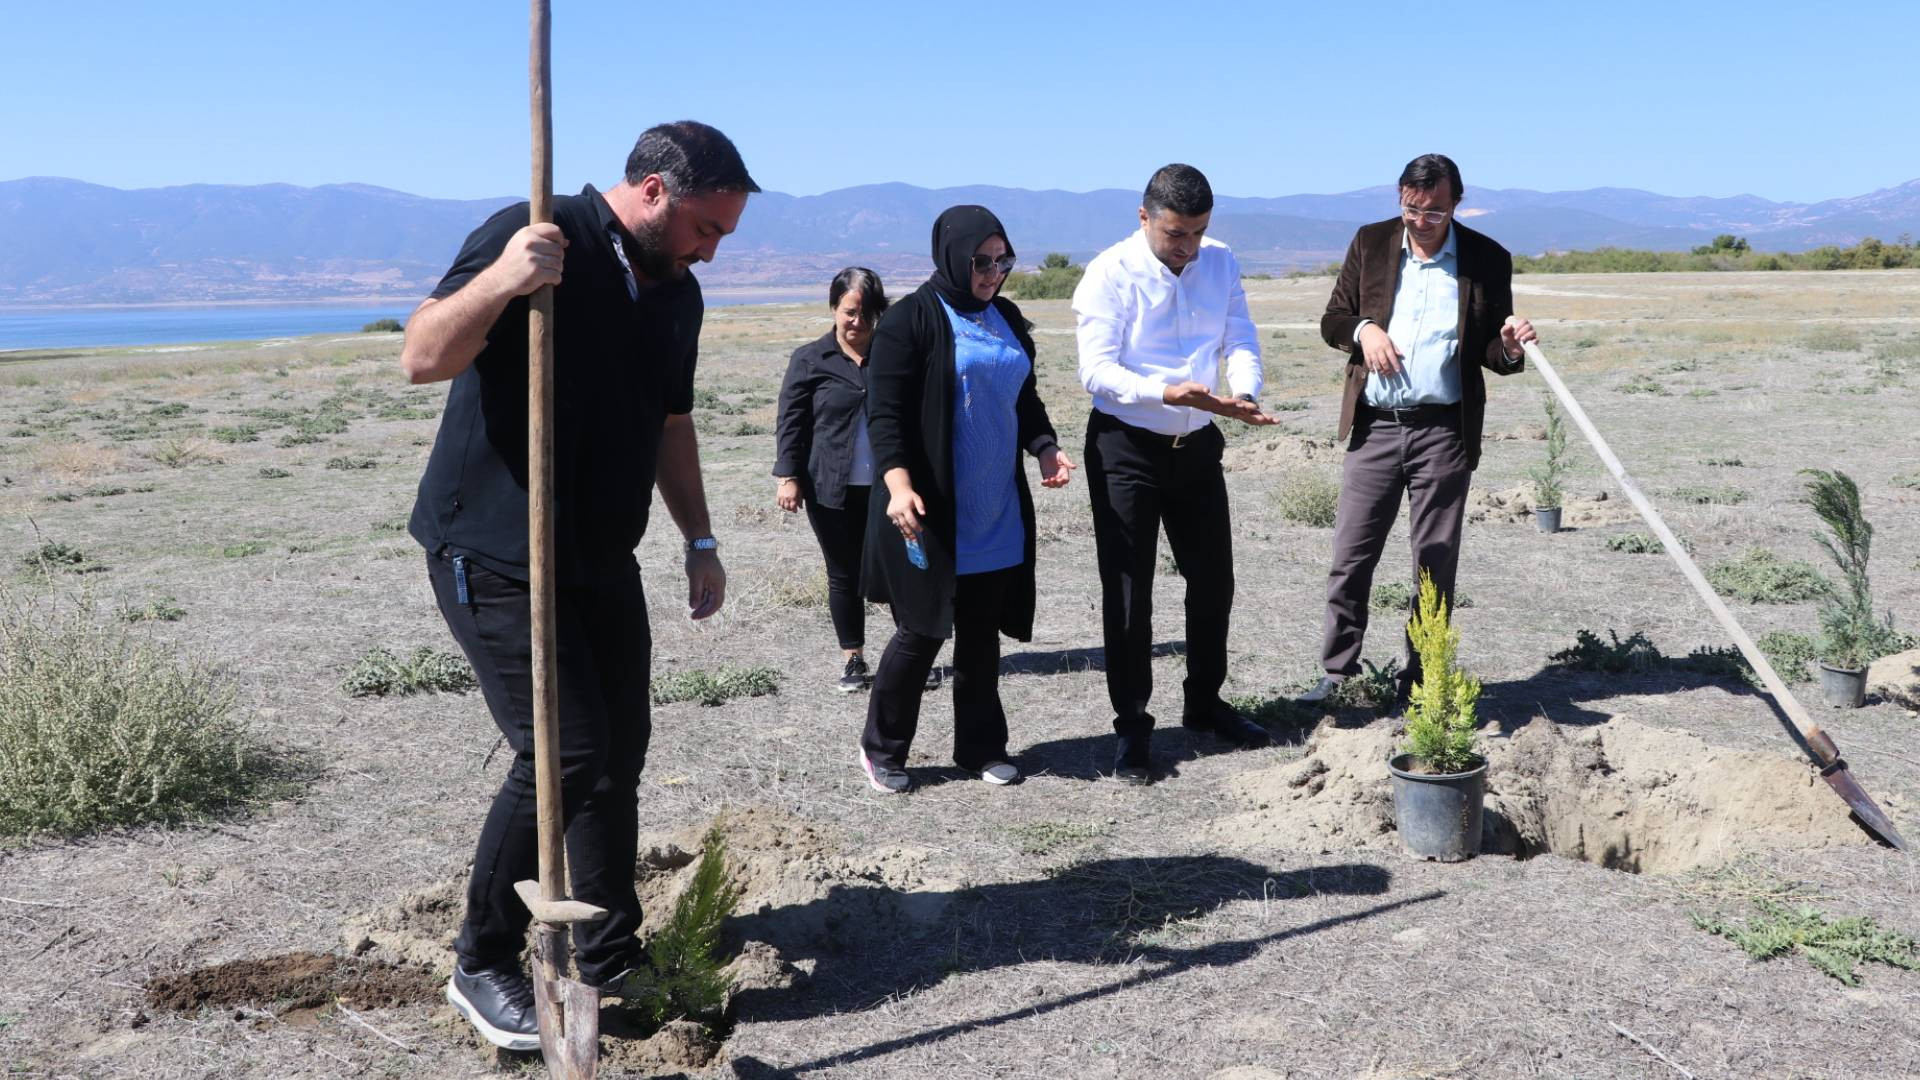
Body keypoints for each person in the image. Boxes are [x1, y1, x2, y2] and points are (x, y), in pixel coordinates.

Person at [399, 121, 757, 1051]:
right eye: (704, 228)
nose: (712, 249)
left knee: (618, 752)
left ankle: (605, 952)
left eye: (723, 234)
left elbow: (671, 421)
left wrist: (700, 537)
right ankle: (480, 962)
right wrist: (507, 280)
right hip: (495, 552)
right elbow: (422, 355)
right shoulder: (535, 230)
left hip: (601, 557)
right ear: (650, 192)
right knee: (562, 751)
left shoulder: (677, 297)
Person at [1298, 153, 1537, 706]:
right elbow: (1332, 320)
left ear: (1456, 201)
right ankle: (1336, 673)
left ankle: (1424, 680)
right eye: (1411, 208)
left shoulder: (1486, 257)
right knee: (1351, 557)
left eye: (1433, 211)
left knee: (1434, 560)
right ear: (1398, 199)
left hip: (1444, 432)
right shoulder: (1371, 242)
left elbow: (1490, 351)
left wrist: (1507, 345)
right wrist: (1364, 330)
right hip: (1376, 427)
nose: (1421, 221)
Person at [1072, 163, 1279, 786]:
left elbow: (1239, 334)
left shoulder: (1220, 261)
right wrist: (1168, 391)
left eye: (1196, 232)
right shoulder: (1109, 272)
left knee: (1213, 579)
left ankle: (1204, 703)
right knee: (1131, 592)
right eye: (1173, 233)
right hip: (1124, 446)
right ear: (1144, 218)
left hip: (1197, 445)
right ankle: (1133, 726)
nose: (1186, 246)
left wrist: (1241, 391)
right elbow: (1097, 372)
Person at [857, 205, 1076, 794]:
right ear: (954, 255)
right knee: (923, 629)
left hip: (995, 508)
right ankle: (882, 748)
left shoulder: (1005, 315)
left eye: (1004, 261)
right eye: (983, 261)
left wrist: (1046, 447)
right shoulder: (910, 321)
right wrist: (898, 484)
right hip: (929, 511)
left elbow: (1022, 395)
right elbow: (886, 417)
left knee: (980, 636)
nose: (994, 273)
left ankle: (980, 746)